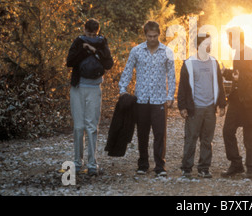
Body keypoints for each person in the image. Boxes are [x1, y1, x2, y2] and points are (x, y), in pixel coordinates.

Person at [119, 20, 176, 177]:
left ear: (159, 34)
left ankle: (160, 166)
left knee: (160, 134)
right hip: (141, 99)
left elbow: (171, 75)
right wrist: (122, 89)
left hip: (159, 99)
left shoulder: (167, 52)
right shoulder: (136, 51)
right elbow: (128, 70)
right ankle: (143, 164)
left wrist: (171, 95)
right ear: (145, 35)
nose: (152, 39)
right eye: (149, 36)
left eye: (155, 36)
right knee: (142, 133)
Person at [66, 18, 114, 176]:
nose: (92, 36)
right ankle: (77, 162)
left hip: (94, 88)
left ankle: (92, 163)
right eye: (89, 33)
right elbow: (70, 61)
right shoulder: (78, 42)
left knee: (92, 127)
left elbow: (108, 64)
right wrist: (85, 49)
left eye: (94, 34)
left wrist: (94, 50)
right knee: (79, 127)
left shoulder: (102, 43)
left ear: (98, 32)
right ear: (84, 30)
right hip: (78, 87)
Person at [177, 34, 227, 178]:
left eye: (210, 43)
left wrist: (221, 104)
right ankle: (186, 168)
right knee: (191, 138)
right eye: (206, 43)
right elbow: (183, 88)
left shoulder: (213, 63)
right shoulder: (188, 63)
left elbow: (220, 84)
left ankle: (204, 168)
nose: (209, 46)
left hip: (210, 108)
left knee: (207, 139)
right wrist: (182, 107)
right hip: (195, 108)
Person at [221, 27, 252, 179]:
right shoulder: (237, 54)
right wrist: (225, 72)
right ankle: (236, 164)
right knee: (227, 131)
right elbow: (237, 77)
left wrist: (241, 78)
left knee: (249, 135)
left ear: (236, 39)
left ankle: (251, 168)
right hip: (236, 100)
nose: (228, 42)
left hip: (249, 101)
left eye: (229, 39)